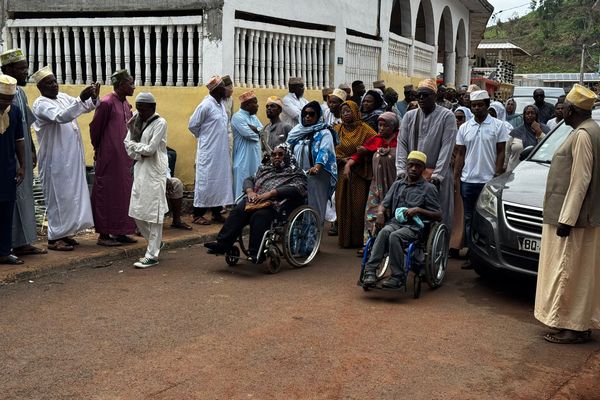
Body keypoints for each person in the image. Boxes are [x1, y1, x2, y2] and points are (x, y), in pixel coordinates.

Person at [535, 84, 600, 344]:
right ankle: (576, 324)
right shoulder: (589, 130)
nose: (562, 110)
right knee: (578, 273)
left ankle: (571, 327)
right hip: (579, 219)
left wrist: (566, 219)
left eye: (565, 108)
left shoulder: (584, 135)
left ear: (571, 109)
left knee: (567, 271)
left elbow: (580, 180)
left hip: (574, 221)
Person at [32, 66, 99, 251]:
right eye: (49, 83)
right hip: (55, 159)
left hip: (72, 156)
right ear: (40, 87)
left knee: (71, 195)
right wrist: (81, 98)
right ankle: (54, 238)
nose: (54, 85)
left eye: (54, 81)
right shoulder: (41, 104)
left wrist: (92, 98)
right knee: (58, 196)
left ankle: (66, 233)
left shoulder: (62, 97)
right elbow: (61, 116)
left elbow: (83, 107)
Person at [204, 144, 308, 263]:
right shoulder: (265, 169)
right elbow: (249, 180)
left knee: (259, 216)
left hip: (275, 205)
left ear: (288, 156)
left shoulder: (295, 173)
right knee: (238, 210)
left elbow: (298, 188)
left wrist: (270, 194)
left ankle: (255, 252)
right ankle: (223, 244)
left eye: (280, 154)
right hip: (254, 200)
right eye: (274, 154)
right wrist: (250, 192)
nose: (276, 157)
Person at [361, 151, 441, 289]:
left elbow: (439, 215)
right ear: (406, 166)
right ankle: (370, 271)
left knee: (394, 236)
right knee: (385, 231)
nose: (414, 169)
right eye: (411, 165)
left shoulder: (429, 189)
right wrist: (380, 213)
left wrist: (418, 210)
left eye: (418, 166)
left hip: (415, 227)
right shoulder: (398, 184)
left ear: (423, 168)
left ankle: (397, 276)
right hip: (396, 223)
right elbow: (384, 204)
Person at [453, 90, 509, 269]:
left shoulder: (498, 126)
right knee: (469, 219)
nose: (477, 108)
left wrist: (497, 174)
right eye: (474, 105)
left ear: (487, 105)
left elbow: (501, 151)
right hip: (468, 181)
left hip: (488, 181)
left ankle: (489, 256)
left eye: (481, 105)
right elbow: (460, 154)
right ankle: (472, 255)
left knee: (487, 220)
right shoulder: (464, 127)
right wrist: (456, 177)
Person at [0, 49, 46, 258]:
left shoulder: (20, 92)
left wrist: (31, 151)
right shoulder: (5, 90)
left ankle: (23, 241)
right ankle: (9, 244)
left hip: (22, 152)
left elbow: (24, 125)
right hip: (7, 155)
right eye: (21, 68)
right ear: (8, 69)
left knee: (25, 195)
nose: (25, 72)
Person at [396, 79, 457, 231]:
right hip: (412, 174)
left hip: (437, 175)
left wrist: (437, 176)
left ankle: (440, 250)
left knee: (438, 215)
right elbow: (402, 144)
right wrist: (401, 171)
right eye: (419, 95)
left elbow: (447, 147)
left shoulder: (447, 116)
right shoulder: (409, 116)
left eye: (425, 95)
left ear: (435, 96)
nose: (421, 98)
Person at [89, 69, 137, 247]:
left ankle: (121, 231)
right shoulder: (107, 102)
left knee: (123, 194)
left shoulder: (125, 104)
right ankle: (104, 234)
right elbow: (95, 128)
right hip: (109, 156)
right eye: (130, 83)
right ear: (120, 84)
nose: (133, 86)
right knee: (107, 193)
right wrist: (99, 149)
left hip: (125, 157)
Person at [124, 92, 168, 269]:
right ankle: (155, 243)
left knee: (154, 214)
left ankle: (152, 254)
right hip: (140, 169)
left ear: (153, 108)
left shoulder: (160, 123)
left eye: (143, 109)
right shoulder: (135, 121)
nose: (140, 112)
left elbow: (150, 150)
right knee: (137, 210)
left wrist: (135, 148)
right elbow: (127, 145)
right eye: (138, 108)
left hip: (155, 171)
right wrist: (137, 149)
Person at [188, 75, 233, 225]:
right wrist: (205, 138)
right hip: (209, 150)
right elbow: (193, 125)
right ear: (216, 90)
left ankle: (216, 212)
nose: (226, 90)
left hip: (220, 151)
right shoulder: (206, 105)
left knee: (219, 181)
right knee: (206, 181)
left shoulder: (220, 105)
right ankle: (197, 214)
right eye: (223, 88)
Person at [334, 100, 377, 248]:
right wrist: (341, 158)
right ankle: (344, 239)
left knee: (358, 205)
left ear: (355, 111)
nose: (346, 114)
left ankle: (359, 239)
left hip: (359, 173)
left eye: (348, 111)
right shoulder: (337, 129)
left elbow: (375, 145)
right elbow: (330, 148)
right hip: (342, 172)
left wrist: (360, 155)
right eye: (343, 112)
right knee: (341, 204)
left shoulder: (365, 129)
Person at [286, 101, 337, 222]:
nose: (307, 117)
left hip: (316, 175)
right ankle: (296, 238)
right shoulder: (297, 131)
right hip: (298, 174)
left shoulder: (325, 132)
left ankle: (312, 238)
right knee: (297, 208)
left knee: (314, 206)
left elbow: (325, 151)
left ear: (318, 115)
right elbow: (287, 148)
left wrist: (317, 167)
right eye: (305, 114)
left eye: (311, 114)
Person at [0, 75, 26, 265]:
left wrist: (22, 165)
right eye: (1, 98)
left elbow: (19, 140)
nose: (5, 102)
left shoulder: (15, 112)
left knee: (6, 210)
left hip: (7, 167)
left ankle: (4, 251)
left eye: (8, 99)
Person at [363, 112, 399, 242]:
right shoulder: (376, 140)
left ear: (393, 127)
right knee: (371, 213)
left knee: (391, 213)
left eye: (386, 126)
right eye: (380, 125)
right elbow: (361, 153)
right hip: (376, 185)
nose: (381, 128)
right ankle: (369, 243)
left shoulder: (400, 141)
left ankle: (387, 243)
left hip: (393, 184)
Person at [232, 91, 263, 199]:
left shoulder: (253, 117)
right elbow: (249, 135)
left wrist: (257, 130)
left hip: (256, 155)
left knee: (256, 180)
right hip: (243, 158)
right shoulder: (237, 117)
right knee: (243, 182)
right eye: (255, 103)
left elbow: (264, 132)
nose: (258, 106)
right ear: (247, 105)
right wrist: (258, 132)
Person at [505, 105, 551, 172]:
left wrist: (539, 132)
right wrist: (505, 165)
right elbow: (507, 152)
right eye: (527, 113)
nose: (530, 115)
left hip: (536, 171)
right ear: (524, 116)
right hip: (514, 170)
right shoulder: (515, 132)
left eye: (532, 113)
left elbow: (548, 149)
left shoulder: (545, 130)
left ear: (537, 115)